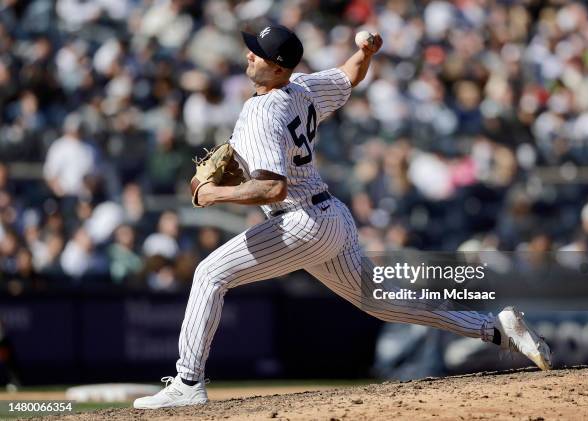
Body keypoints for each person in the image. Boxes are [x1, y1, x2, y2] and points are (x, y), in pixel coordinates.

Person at [134, 25, 551, 409]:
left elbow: (272, 187)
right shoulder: (302, 87)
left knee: (209, 274)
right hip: (330, 217)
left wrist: (212, 194)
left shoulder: (260, 113)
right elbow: (350, 75)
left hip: (299, 219)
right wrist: (364, 52)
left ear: (277, 67)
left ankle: (188, 383)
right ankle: (496, 329)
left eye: (257, 53)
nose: (248, 56)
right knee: (381, 303)